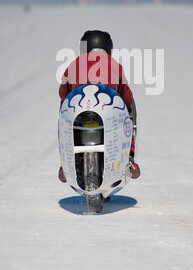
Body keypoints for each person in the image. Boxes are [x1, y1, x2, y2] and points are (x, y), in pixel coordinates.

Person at [58, 30, 140, 182]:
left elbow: (63, 92)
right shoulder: (115, 65)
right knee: (129, 117)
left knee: (63, 114)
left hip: (79, 111)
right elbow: (126, 96)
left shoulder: (74, 63)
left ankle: (65, 163)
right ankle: (129, 159)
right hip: (106, 113)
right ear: (108, 48)